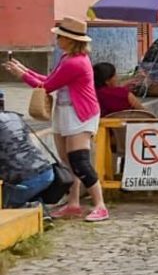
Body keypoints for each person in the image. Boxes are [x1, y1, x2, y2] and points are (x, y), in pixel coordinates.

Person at [3, 17, 110, 222]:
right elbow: (50, 80)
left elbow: (46, 86)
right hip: (65, 111)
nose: (57, 39)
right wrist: (24, 70)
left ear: (70, 40)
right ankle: (73, 203)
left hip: (80, 114)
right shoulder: (67, 58)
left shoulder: (75, 62)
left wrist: (21, 75)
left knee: (79, 161)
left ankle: (100, 205)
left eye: (60, 37)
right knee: (67, 162)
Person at [0, 111, 56, 208]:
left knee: (4, 205)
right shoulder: (14, 116)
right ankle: (36, 208)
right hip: (46, 171)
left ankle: (22, 207)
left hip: (24, 180)